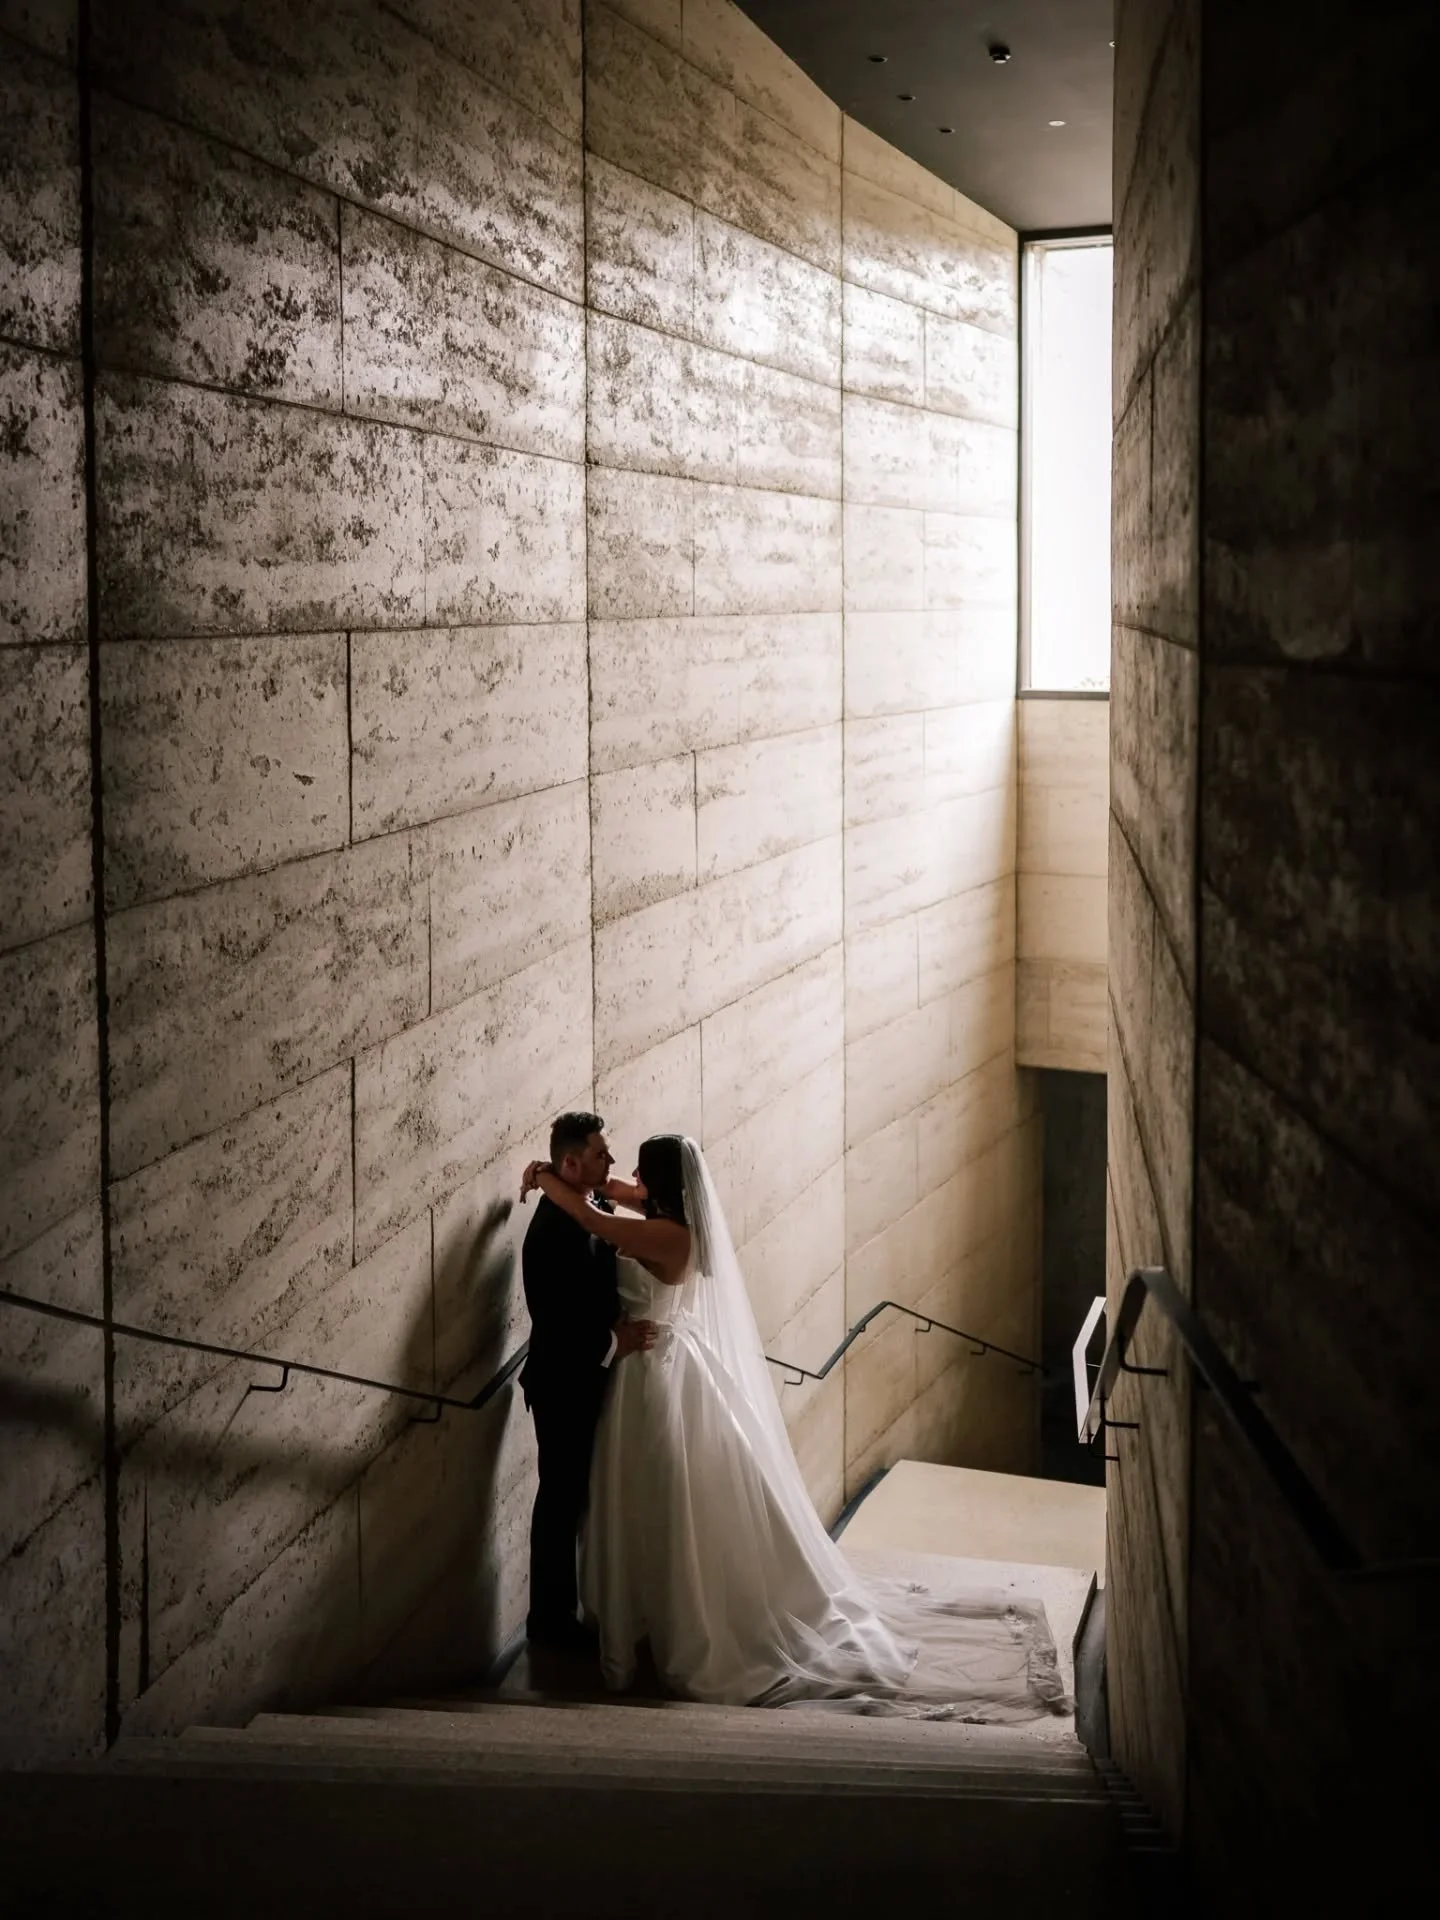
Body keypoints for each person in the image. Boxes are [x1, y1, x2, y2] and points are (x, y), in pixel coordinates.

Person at [522, 1132, 1065, 1715]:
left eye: (638, 1170)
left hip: (655, 1373)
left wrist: (545, 1178)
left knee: (665, 1498)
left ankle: (672, 1617)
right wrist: (579, 1173)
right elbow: (610, 1192)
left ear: (661, 1185)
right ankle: (653, 1614)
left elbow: (593, 1219)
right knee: (658, 1498)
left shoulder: (664, 1234)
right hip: (655, 1364)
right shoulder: (669, 1216)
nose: (625, 1175)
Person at [518, 1112, 656, 1649]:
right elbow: (557, 1321)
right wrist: (612, 1344)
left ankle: (565, 1613)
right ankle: (550, 1625)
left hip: (585, 1379)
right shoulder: (552, 1231)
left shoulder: (588, 1203)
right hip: (562, 1383)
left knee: (573, 1497)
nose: (612, 1161)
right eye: (601, 1153)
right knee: (559, 1500)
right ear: (571, 1162)